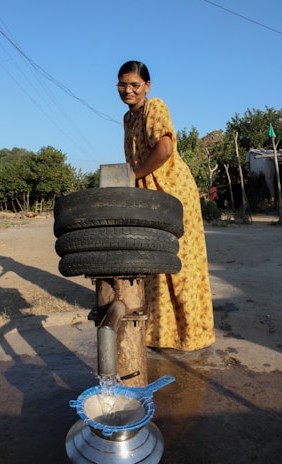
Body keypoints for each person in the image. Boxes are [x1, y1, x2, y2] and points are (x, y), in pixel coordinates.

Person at [117, 60, 215, 351]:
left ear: (147, 86)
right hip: (149, 195)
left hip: (172, 192)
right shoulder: (127, 118)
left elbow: (165, 148)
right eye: (122, 84)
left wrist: (133, 176)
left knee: (179, 265)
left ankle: (192, 335)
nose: (128, 90)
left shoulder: (154, 106)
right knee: (154, 265)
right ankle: (162, 335)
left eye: (135, 84)